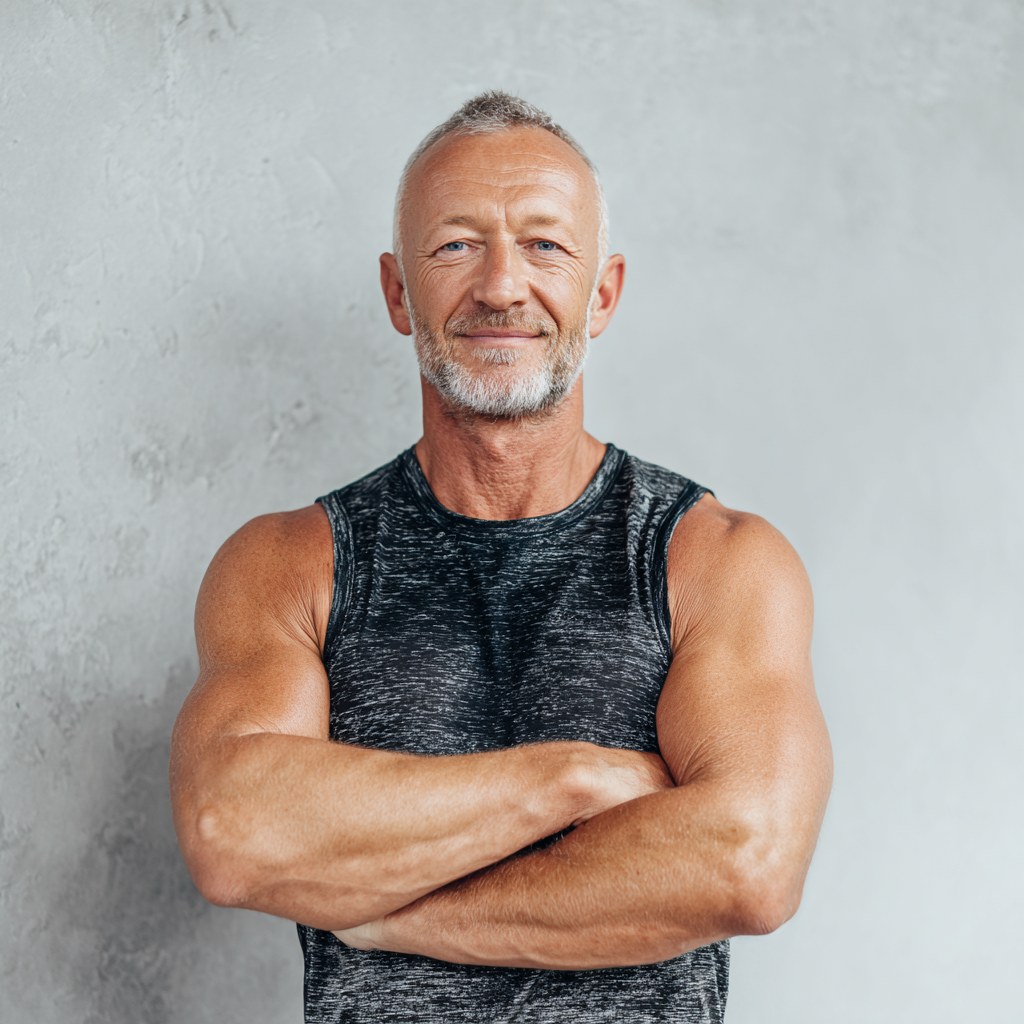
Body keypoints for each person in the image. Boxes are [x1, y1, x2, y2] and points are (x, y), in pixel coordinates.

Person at [170, 92, 832, 1024]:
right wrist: (570, 778)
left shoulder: (713, 560)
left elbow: (749, 864)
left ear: (602, 293)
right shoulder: (292, 564)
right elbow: (231, 829)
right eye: (455, 246)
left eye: (546, 245)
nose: (501, 287)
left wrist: (393, 915)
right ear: (400, 293)